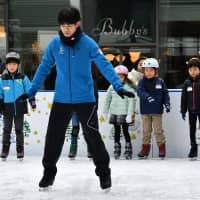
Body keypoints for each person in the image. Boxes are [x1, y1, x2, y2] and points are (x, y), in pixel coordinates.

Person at [17, 7, 134, 190]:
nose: (66, 29)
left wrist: (117, 86)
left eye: (70, 25)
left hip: (85, 99)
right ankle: (48, 174)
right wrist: (32, 90)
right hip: (62, 99)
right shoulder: (55, 44)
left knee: (92, 137)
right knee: (53, 138)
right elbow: (44, 67)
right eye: (63, 25)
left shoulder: (88, 44)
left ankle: (104, 173)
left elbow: (104, 64)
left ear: (77, 24)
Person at [0, 52, 36, 161]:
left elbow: (29, 90)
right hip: (7, 108)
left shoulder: (23, 77)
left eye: (14, 64)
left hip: (20, 108)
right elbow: (0, 93)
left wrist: (32, 101)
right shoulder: (2, 78)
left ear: (18, 65)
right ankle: (5, 150)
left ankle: (20, 150)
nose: (12, 66)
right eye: (10, 64)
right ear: (6, 65)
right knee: (7, 129)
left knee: (19, 129)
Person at [137, 58, 170, 159]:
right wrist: (147, 96)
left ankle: (161, 149)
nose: (148, 73)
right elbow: (139, 91)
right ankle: (145, 149)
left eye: (151, 70)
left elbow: (165, 94)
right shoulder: (142, 82)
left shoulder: (160, 82)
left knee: (158, 131)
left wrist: (167, 104)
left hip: (157, 111)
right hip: (145, 111)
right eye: (146, 70)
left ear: (155, 71)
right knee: (146, 131)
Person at [103, 65, 136, 160]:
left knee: (125, 131)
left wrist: (130, 114)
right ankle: (117, 149)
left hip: (124, 113)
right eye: (117, 77)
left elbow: (131, 101)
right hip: (114, 113)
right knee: (116, 131)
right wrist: (105, 112)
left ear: (125, 77)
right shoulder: (112, 87)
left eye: (121, 77)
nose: (119, 79)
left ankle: (128, 149)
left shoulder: (129, 88)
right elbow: (107, 100)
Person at [181, 58, 200, 159]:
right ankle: (193, 149)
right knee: (192, 130)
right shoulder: (186, 83)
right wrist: (183, 111)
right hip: (191, 111)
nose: (193, 71)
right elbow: (183, 98)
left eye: (195, 69)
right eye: (191, 70)